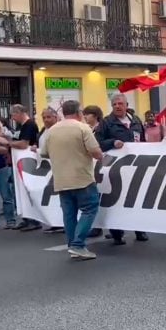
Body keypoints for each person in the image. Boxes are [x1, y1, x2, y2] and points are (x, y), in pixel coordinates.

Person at [41, 100, 103, 260]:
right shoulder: (83, 128)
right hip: (82, 177)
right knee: (90, 208)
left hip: (61, 179)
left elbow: (44, 153)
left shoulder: (52, 130)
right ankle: (78, 244)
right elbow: (96, 152)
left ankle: (72, 245)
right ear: (79, 112)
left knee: (69, 214)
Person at [95, 93, 148, 245]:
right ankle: (117, 233)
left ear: (126, 105)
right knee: (116, 201)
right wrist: (112, 142)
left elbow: (143, 141)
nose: (117, 106)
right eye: (114, 105)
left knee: (136, 199)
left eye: (120, 104)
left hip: (135, 167)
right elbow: (97, 143)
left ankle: (140, 230)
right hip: (115, 168)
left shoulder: (136, 121)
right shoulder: (106, 122)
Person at [0, 104, 41, 231]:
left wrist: (7, 143)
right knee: (19, 191)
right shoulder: (23, 126)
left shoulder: (29, 125)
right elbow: (18, 140)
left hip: (27, 163)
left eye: (13, 115)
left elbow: (24, 144)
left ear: (20, 113)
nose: (12, 118)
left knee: (27, 190)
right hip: (20, 163)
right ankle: (26, 218)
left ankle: (34, 220)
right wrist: (8, 138)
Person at [33, 108, 65, 234]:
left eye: (49, 117)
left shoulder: (60, 130)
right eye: (44, 117)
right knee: (50, 196)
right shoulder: (43, 130)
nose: (46, 120)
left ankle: (62, 222)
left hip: (58, 168)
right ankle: (54, 222)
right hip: (46, 169)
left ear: (56, 117)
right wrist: (36, 147)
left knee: (60, 197)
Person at [81, 105, 104, 239]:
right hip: (90, 167)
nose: (85, 117)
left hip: (101, 165)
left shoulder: (100, 129)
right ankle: (96, 226)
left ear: (95, 116)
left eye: (88, 115)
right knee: (93, 196)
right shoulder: (86, 129)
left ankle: (99, 226)